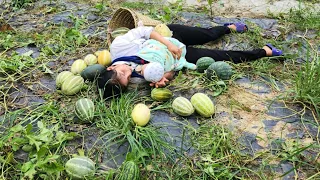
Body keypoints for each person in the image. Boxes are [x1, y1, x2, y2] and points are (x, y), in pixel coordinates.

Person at [97, 23, 283, 99]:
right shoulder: (137, 78)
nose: (128, 74)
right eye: (126, 79)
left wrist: (168, 44)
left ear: (111, 65)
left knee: (207, 35)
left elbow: (146, 31)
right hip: (179, 56)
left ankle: (228, 28)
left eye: (122, 72)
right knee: (220, 57)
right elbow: (170, 71)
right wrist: (165, 77)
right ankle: (263, 52)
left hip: (168, 35)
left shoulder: (118, 48)